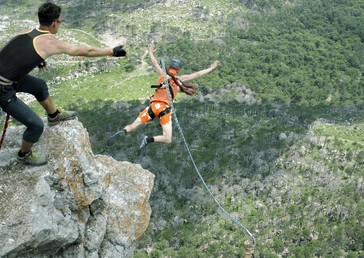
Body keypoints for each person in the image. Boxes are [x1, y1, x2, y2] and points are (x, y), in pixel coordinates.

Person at [0, 2, 126, 166]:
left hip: (10, 79)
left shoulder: (27, 31)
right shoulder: (51, 42)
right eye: (60, 21)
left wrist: (40, 60)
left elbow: (19, 50)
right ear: (54, 23)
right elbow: (84, 51)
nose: (60, 23)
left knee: (40, 86)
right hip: (3, 89)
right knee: (36, 126)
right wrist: (111, 51)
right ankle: (24, 155)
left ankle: (53, 116)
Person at [107, 42, 220, 150]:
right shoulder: (180, 79)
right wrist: (212, 67)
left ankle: (124, 131)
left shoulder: (162, 74)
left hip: (152, 106)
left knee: (133, 126)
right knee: (167, 138)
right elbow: (197, 74)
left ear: (170, 67)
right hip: (164, 108)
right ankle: (148, 139)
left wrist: (150, 51)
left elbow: (154, 63)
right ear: (178, 69)